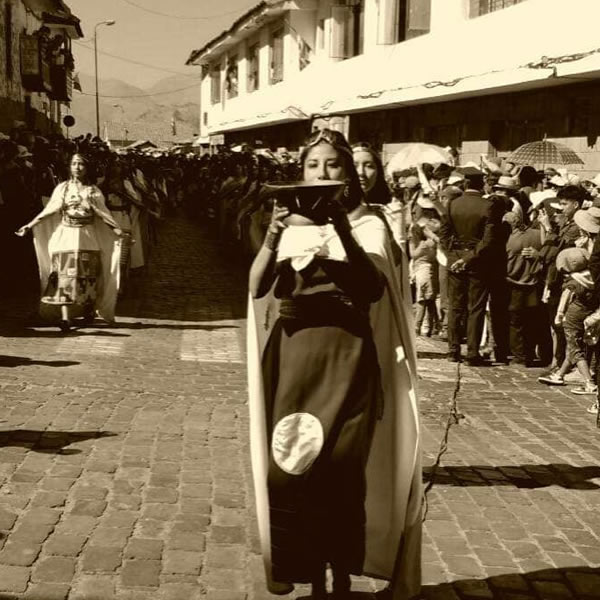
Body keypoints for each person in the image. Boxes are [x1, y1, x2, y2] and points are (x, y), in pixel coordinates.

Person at [247, 129, 421, 599]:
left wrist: (338, 227)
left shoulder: (370, 224)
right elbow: (257, 287)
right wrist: (273, 235)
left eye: (332, 165)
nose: (322, 173)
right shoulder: (288, 223)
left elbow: (370, 288)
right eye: (313, 165)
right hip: (294, 359)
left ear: (348, 174)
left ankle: (340, 577)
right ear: (301, 172)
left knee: (342, 472)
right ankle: (302, 570)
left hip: (346, 356)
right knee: (290, 466)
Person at [15, 153, 122, 331]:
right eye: (74, 164)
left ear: (87, 168)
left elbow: (103, 214)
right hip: (66, 235)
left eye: (81, 164)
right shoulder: (62, 188)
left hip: (87, 237)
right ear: (69, 167)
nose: (77, 167)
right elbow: (50, 209)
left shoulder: (93, 190)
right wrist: (29, 225)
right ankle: (65, 318)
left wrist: (117, 230)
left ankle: (88, 311)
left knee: (88, 277)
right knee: (63, 276)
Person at [439, 166, 505, 364]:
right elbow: (488, 240)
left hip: (456, 257)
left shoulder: (452, 204)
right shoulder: (487, 206)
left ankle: (452, 350)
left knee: (455, 306)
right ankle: (472, 352)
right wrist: (468, 258)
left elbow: (443, 234)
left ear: (465, 183)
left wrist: (453, 256)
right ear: (482, 184)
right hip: (478, 261)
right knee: (475, 307)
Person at [538, 247, 597, 394]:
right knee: (576, 345)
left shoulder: (573, 281)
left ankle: (589, 382)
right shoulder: (592, 278)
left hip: (573, 315)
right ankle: (559, 375)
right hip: (589, 313)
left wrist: (559, 314)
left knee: (574, 347)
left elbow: (565, 299)